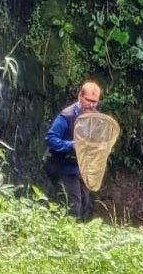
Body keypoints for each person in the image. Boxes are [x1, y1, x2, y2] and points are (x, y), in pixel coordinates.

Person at [42, 80, 101, 222]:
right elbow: (50, 138)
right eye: (88, 100)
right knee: (74, 205)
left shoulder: (96, 117)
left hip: (78, 167)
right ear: (80, 96)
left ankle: (80, 235)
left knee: (86, 204)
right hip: (58, 165)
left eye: (95, 101)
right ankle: (67, 234)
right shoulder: (66, 116)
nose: (91, 105)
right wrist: (71, 145)